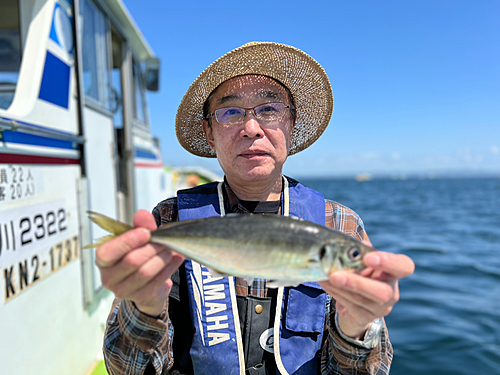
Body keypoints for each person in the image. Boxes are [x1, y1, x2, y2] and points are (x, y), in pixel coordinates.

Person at [98, 42, 415, 375]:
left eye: (269, 109)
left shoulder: (339, 225)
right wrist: (144, 309)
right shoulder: (169, 220)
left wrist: (355, 329)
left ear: (291, 124)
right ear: (209, 133)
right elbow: (124, 369)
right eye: (231, 112)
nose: (251, 128)